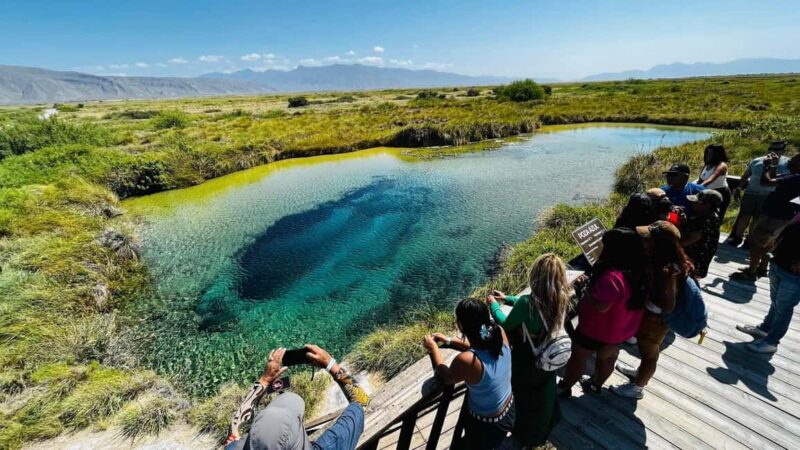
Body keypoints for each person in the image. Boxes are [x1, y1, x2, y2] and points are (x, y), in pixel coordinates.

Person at [487, 253, 571, 448]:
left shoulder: (527, 304)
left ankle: (527, 435)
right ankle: (545, 427)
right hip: (549, 355)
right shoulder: (562, 296)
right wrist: (508, 299)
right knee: (544, 394)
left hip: (528, 358)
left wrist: (493, 305)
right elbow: (536, 304)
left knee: (525, 396)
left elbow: (505, 324)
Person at [224, 345, 369, 450]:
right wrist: (331, 364)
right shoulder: (332, 444)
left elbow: (234, 430)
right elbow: (361, 402)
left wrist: (265, 380)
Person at [557, 228, 647, 396]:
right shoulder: (638, 272)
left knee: (578, 357)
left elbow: (602, 306)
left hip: (595, 329)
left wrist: (585, 290)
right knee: (607, 357)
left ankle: (564, 387)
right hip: (621, 329)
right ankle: (595, 385)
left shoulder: (612, 277)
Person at [611, 221, 689, 399]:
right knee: (649, 351)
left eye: (648, 239)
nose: (644, 242)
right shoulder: (674, 260)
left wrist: (647, 295)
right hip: (653, 318)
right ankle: (640, 373)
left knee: (649, 354)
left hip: (655, 319)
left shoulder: (667, 271)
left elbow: (668, 305)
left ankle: (637, 388)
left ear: (658, 244)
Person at [424, 299, 514, 450]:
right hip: (509, 410)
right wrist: (449, 340)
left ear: (460, 325)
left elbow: (447, 378)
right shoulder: (499, 332)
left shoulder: (467, 361)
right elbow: (480, 345)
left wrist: (433, 348)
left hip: (486, 425)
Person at [731, 153, 800, 281]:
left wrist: (767, 166)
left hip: (774, 216)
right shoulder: (793, 177)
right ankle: (762, 268)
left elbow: (765, 182)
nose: (788, 162)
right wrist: (773, 165)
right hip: (783, 216)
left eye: (792, 161)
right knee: (768, 243)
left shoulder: (795, 178)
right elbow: (773, 180)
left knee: (757, 243)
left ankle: (751, 272)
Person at [736, 215, 800, 353]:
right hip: (779, 263)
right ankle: (765, 329)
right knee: (775, 302)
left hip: (794, 275)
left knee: (784, 308)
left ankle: (772, 342)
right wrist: (774, 244)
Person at [726, 141, 790, 247]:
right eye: (771, 149)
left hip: (769, 195)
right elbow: (746, 175)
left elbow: (780, 179)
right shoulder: (757, 160)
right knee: (744, 216)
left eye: (777, 149)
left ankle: (750, 240)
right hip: (750, 192)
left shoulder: (787, 163)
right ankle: (737, 238)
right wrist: (738, 188)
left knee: (758, 219)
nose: (773, 151)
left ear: (783, 151)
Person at [681, 190, 723, 278]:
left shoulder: (706, 221)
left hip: (694, 263)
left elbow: (690, 240)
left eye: (697, 202)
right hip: (697, 262)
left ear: (707, 205)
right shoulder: (711, 216)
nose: (693, 204)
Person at [698, 144, 731, 220]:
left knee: (716, 217)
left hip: (720, 193)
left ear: (717, 155)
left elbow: (711, 179)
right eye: (707, 153)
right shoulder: (707, 164)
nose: (707, 155)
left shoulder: (722, 165)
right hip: (707, 193)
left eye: (710, 154)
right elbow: (700, 179)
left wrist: (698, 188)